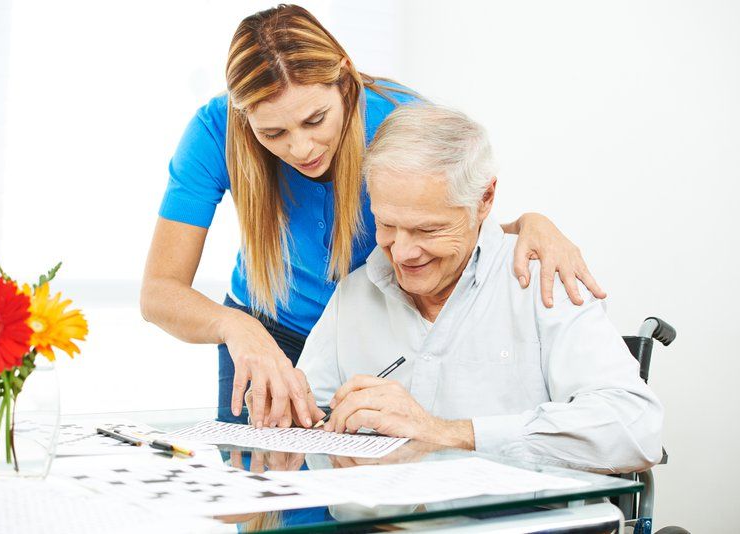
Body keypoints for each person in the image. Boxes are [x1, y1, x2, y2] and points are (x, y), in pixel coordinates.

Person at [140, 4, 606, 430]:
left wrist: (528, 223)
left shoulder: (403, 120)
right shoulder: (213, 132)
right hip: (263, 335)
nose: (300, 148)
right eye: (273, 133)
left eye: (315, 119)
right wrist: (238, 327)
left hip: (368, 338)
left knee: (364, 498)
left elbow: (451, 228)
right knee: (264, 500)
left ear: (344, 79)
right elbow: (160, 292)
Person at [296, 104, 663, 473]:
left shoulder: (543, 283)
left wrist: (449, 433)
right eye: (387, 224)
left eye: (428, 229)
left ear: (485, 200)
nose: (403, 253)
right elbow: (306, 420)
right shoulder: (356, 293)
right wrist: (285, 407)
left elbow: (635, 428)